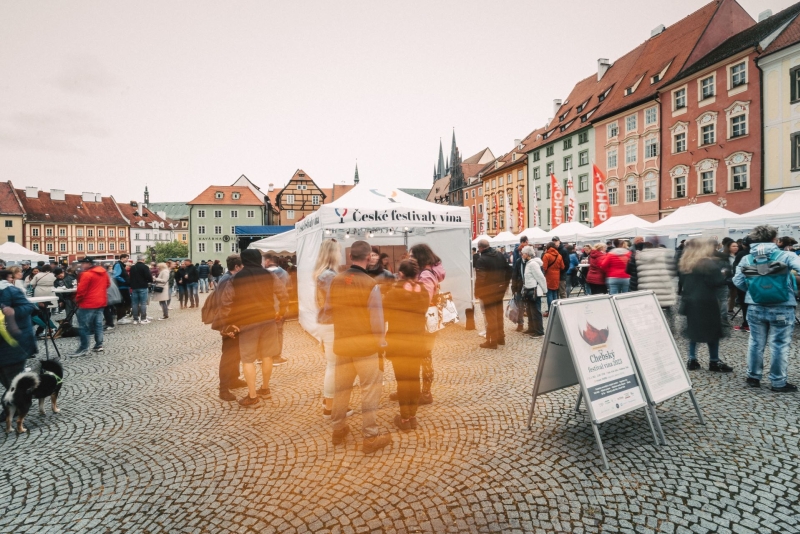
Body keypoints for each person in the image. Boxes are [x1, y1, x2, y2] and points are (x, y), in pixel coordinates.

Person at [328, 240, 392, 454]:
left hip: (343, 344)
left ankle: (338, 429)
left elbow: (328, 312)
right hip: (365, 347)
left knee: (341, 389)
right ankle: (370, 436)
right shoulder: (369, 284)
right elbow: (376, 320)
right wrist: (381, 343)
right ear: (368, 258)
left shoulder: (335, 280)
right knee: (370, 391)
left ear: (350, 257)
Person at [733, 225, 800, 392]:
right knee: (779, 344)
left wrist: (753, 291)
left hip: (755, 306)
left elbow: (737, 281)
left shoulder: (747, 259)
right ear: (774, 239)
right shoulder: (785, 255)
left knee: (755, 342)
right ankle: (778, 382)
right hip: (782, 307)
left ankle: (753, 377)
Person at [226, 249, 288, 407]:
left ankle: (252, 397)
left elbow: (227, 302)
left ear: (244, 261)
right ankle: (265, 389)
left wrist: (231, 323)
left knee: (247, 359)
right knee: (267, 356)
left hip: (247, 323)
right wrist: (280, 312)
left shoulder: (235, 278)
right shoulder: (269, 275)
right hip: (268, 320)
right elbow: (283, 294)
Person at [383, 258, 430, 431]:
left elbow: (385, 315)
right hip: (417, 341)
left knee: (402, 381)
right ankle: (412, 415)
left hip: (399, 343)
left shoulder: (394, 292)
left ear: (400, 273)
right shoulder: (423, 291)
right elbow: (424, 310)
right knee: (414, 378)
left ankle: (404, 419)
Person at [679, 239, 732, 373]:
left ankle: (692, 359)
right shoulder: (707, 263)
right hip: (706, 301)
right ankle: (714, 361)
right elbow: (717, 281)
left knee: (693, 331)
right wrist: (724, 274)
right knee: (713, 331)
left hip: (690, 301)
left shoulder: (686, 263)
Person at [313, 239, 345, 418]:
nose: (340, 255)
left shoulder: (323, 274)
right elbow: (336, 303)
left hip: (326, 322)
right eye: (338, 251)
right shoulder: (329, 276)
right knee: (334, 365)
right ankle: (330, 407)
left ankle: (329, 402)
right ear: (333, 254)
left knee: (332, 364)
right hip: (332, 323)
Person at [410, 243, 444, 404]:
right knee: (423, 356)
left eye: (412, 256)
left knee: (425, 357)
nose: (410, 258)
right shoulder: (426, 272)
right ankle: (419, 391)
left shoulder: (426, 275)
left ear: (419, 257)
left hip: (424, 322)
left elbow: (424, 300)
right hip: (425, 322)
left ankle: (426, 393)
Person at [214, 254, 246, 401]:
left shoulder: (226, 278)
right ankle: (223, 388)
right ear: (237, 267)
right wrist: (228, 325)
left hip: (231, 321)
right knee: (228, 356)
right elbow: (225, 304)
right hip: (229, 322)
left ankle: (234, 379)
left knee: (235, 353)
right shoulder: (229, 280)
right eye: (242, 266)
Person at [0, 269, 37, 397]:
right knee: (5, 377)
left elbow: (29, 307)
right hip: (4, 341)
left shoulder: (10, 290)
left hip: (15, 341)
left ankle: (18, 405)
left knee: (12, 378)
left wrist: (13, 311)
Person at [475, 239, 510, 349]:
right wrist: (504, 286)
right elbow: (509, 270)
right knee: (499, 314)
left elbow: (480, 278)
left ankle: (492, 341)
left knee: (491, 317)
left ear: (480, 248)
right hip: (499, 290)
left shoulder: (482, 260)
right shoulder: (500, 255)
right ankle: (501, 338)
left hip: (488, 292)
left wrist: (477, 292)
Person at [636, 242, 678, 328]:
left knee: (649, 310)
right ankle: (671, 328)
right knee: (668, 310)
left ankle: (652, 328)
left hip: (647, 289)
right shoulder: (663, 256)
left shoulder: (640, 256)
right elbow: (669, 274)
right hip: (663, 289)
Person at [73, 258, 110, 356]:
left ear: (88, 264)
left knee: (83, 326)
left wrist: (77, 300)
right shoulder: (103, 272)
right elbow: (108, 284)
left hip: (88, 303)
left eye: (83, 263)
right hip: (101, 301)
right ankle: (99, 344)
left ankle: (83, 348)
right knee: (98, 324)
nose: (81, 265)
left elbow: (81, 290)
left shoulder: (87, 274)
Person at [263, 253, 290, 366]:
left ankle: (263, 356)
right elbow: (288, 289)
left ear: (268, 261)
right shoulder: (284, 273)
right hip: (278, 305)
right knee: (278, 331)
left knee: (264, 332)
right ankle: (276, 356)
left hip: (265, 307)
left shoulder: (262, 274)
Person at [521, 246, 546, 337]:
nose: (522, 254)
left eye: (523, 253)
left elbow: (540, 277)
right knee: (530, 311)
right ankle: (532, 328)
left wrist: (544, 289)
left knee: (535, 311)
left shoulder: (533, 264)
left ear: (527, 254)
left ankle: (539, 331)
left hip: (534, 290)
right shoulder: (528, 263)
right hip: (529, 289)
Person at [541, 242, 564, 317]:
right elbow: (562, 267)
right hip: (556, 277)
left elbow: (544, 267)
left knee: (549, 294)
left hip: (548, 277)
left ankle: (550, 311)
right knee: (555, 294)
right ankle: (556, 310)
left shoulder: (546, 255)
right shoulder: (559, 256)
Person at [129, 255, 153, 325]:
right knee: (143, 303)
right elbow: (148, 276)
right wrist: (150, 280)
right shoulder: (145, 267)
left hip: (134, 287)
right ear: (143, 260)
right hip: (143, 286)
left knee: (135, 303)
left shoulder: (132, 267)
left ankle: (135, 319)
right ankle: (143, 318)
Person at [510, 242, 527, 332]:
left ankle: (532, 325)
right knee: (520, 306)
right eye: (520, 251)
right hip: (520, 287)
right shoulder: (518, 261)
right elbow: (514, 275)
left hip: (529, 287)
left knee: (529, 306)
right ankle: (520, 324)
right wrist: (514, 288)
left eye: (522, 252)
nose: (520, 253)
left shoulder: (532, 261)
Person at [112, 254, 132, 324]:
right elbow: (116, 275)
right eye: (126, 258)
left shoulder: (120, 265)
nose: (127, 260)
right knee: (122, 302)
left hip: (123, 286)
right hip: (122, 287)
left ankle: (122, 316)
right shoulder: (118, 265)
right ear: (122, 258)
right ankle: (120, 318)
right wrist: (125, 281)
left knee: (124, 302)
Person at [722, 240, 740, 314]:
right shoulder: (725, 257)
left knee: (733, 295)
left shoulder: (736, 256)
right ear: (728, 247)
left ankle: (730, 309)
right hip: (727, 278)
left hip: (734, 277)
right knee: (725, 296)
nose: (736, 248)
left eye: (737, 246)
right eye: (733, 246)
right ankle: (722, 312)